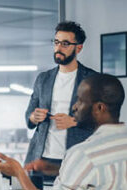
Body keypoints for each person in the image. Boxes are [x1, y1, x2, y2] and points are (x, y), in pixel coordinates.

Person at [24, 21, 96, 175]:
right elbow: (29, 117)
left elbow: (103, 121)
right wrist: (33, 117)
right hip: (41, 158)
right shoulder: (43, 79)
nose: (58, 48)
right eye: (56, 42)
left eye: (65, 44)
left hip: (75, 159)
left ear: (78, 48)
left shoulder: (92, 80)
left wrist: (75, 122)